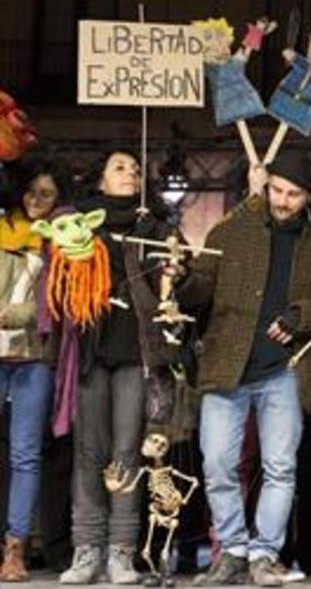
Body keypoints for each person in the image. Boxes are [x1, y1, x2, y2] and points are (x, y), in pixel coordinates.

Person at [177, 153, 311, 587]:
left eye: (293, 194)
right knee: (217, 463)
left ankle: (265, 553)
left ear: (307, 197)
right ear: (267, 185)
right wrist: (179, 276)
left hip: (285, 371)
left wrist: (302, 315)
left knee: (280, 466)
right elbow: (198, 289)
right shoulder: (231, 231)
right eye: (276, 189)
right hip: (226, 364)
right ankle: (233, 551)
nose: (282, 200)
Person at [55, 150, 174, 585]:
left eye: (137, 169)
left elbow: (176, 286)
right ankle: (86, 548)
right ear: (100, 179)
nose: (131, 174)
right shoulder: (76, 223)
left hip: (134, 354)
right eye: (121, 167)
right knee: (89, 452)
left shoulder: (156, 228)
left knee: (127, 453)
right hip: (88, 352)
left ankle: (121, 552)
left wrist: (166, 262)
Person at [0, 157, 65, 580]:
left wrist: (20, 313)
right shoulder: (5, 229)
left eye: (47, 194)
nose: (36, 200)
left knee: (25, 455)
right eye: (31, 192)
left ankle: (15, 549)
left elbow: (60, 304)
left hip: (34, 357)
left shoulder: (62, 239)